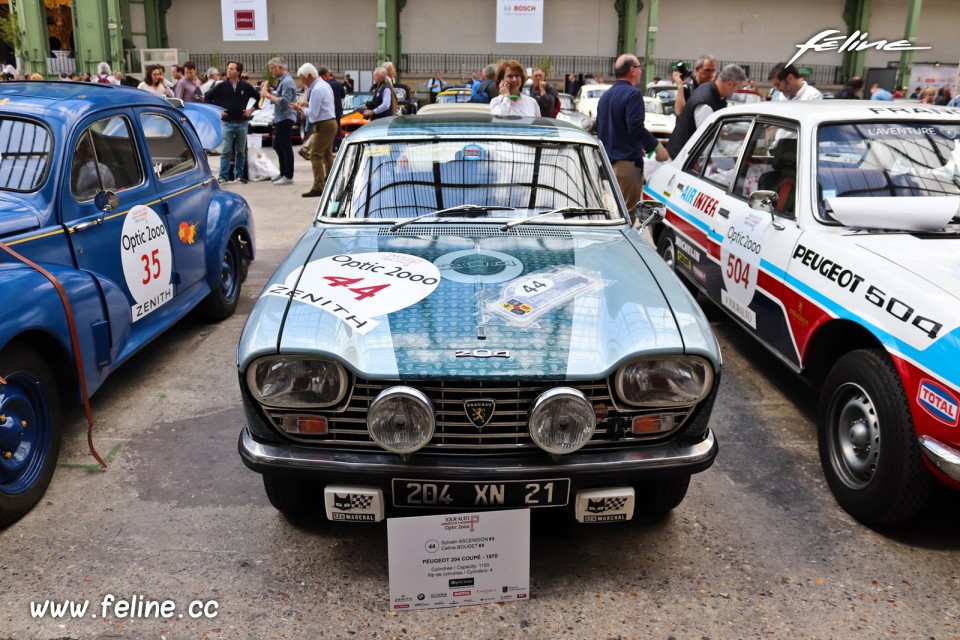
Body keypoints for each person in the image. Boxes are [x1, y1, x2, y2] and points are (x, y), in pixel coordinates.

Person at [595, 53, 669, 217]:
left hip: (607, 166)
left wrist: (635, 145)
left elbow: (603, 130)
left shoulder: (605, 97)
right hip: (626, 167)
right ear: (632, 70)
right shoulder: (633, 94)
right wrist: (656, 147)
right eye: (639, 68)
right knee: (626, 219)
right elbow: (635, 127)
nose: (641, 72)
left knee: (609, 216)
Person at [666, 64, 747, 159]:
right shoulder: (705, 105)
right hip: (680, 159)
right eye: (738, 87)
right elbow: (706, 145)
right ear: (729, 83)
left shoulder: (707, 89)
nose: (737, 91)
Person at [205, 60, 259, 184]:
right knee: (225, 151)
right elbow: (207, 97)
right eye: (228, 68)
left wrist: (252, 109)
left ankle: (239, 175)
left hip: (242, 123)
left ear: (238, 72)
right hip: (227, 123)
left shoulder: (245, 86)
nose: (229, 70)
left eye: (232, 69)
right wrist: (217, 110)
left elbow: (259, 97)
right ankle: (223, 176)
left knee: (240, 151)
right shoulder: (222, 86)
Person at [295, 64, 337, 198]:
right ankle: (331, 181)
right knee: (327, 154)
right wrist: (307, 105)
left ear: (309, 76)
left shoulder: (317, 89)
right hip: (330, 122)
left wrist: (300, 109)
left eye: (302, 77)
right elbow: (322, 105)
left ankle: (318, 186)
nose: (302, 80)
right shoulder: (324, 85)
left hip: (323, 124)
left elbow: (313, 114)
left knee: (315, 155)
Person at [260, 57, 298, 185]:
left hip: (286, 117)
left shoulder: (287, 82)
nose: (271, 71)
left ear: (280, 68)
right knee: (278, 145)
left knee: (285, 146)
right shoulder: (283, 81)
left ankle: (288, 175)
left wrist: (268, 95)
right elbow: (280, 97)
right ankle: (283, 173)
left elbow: (285, 102)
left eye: (272, 68)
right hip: (281, 117)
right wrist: (270, 92)